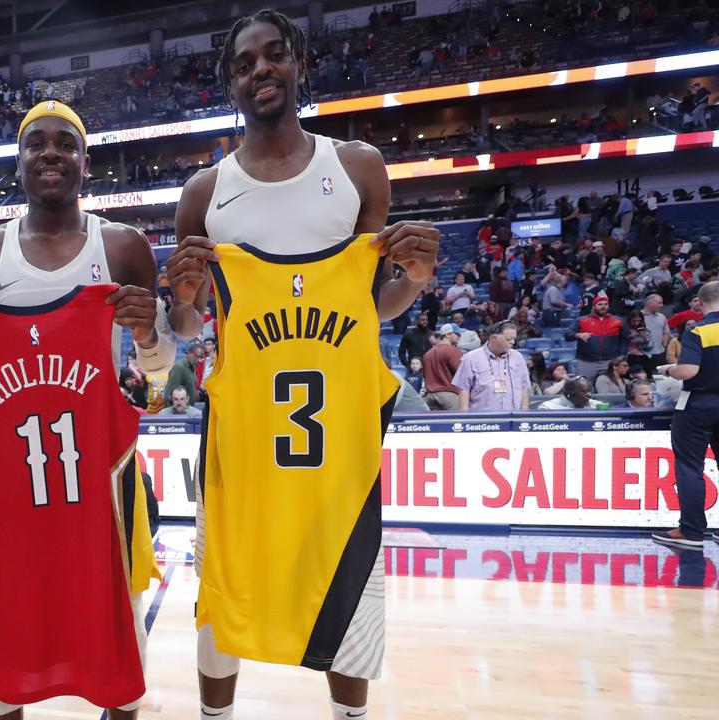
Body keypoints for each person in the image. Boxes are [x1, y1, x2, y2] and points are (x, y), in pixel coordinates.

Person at [163, 10, 441, 719]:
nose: (261, 69)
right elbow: (188, 326)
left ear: (300, 66)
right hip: (240, 434)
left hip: (336, 439)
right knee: (219, 588)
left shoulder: (357, 168)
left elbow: (367, 307)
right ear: (231, 83)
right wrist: (184, 298)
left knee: (346, 581)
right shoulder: (204, 193)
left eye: (274, 55)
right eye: (245, 62)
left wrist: (416, 280)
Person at [0, 99, 166, 719]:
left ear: (85, 163)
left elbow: (156, 369)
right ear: (17, 162)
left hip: (101, 493)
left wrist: (149, 337)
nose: (50, 154)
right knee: (5, 668)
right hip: (10, 495)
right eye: (36, 144)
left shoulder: (122, 247)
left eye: (64, 144)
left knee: (124, 668)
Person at [653, 281, 719, 549]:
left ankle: (691, 531)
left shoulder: (698, 330)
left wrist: (670, 369)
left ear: (700, 302)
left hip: (698, 405)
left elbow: (688, 371)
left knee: (690, 467)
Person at [452, 322, 530, 411]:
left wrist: (524, 414)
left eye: (514, 339)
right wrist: (465, 416)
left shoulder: (518, 357)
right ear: (493, 338)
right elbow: (464, 389)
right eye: (508, 339)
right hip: (483, 420)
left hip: (512, 417)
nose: (512, 342)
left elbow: (524, 387)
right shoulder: (471, 358)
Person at [567, 292, 626, 380]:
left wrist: (622, 355)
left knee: (609, 388)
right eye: (600, 304)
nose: (603, 306)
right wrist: (577, 335)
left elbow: (625, 340)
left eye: (606, 304)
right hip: (586, 362)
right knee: (583, 387)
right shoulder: (581, 320)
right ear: (594, 306)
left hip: (609, 361)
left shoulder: (618, 321)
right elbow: (567, 335)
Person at [422, 324, 463, 410]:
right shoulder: (452, 350)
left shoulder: (427, 353)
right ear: (448, 334)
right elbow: (462, 374)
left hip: (429, 396)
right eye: (457, 334)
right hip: (449, 394)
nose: (460, 337)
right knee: (455, 422)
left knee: (433, 423)